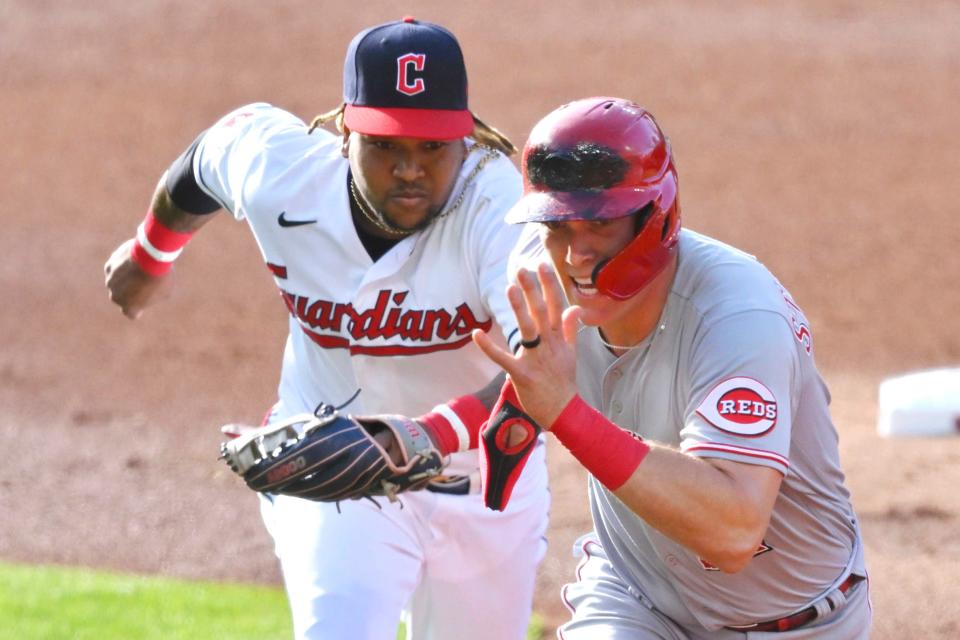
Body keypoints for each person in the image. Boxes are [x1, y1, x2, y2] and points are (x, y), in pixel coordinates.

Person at [103, 17, 549, 640]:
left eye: (432, 147)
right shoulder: (283, 172)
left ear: (466, 138)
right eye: (387, 145)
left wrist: (423, 435)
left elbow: (547, 370)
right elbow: (203, 162)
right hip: (335, 471)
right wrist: (149, 256)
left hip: (485, 484)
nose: (410, 170)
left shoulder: (498, 209)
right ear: (344, 133)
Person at [473, 97, 871, 638]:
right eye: (557, 225)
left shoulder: (736, 316)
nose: (573, 255)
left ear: (655, 217)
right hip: (638, 598)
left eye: (599, 223)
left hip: (794, 622)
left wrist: (567, 415)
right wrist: (426, 436)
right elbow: (535, 381)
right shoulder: (541, 275)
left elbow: (733, 531)